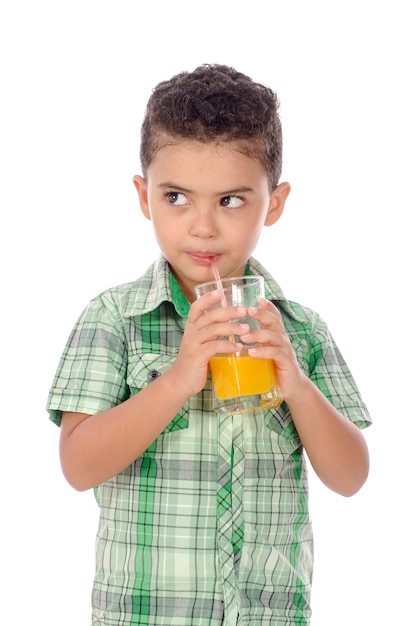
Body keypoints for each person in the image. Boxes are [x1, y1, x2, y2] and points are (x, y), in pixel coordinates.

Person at [47, 64, 371, 626]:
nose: (202, 226)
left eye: (230, 201)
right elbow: (78, 466)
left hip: (268, 615)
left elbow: (350, 477)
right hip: (145, 615)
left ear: (274, 202)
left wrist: (295, 384)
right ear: (144, 196)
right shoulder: (114, 319)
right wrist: (177, 379)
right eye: (176, 197)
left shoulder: (301, 331)